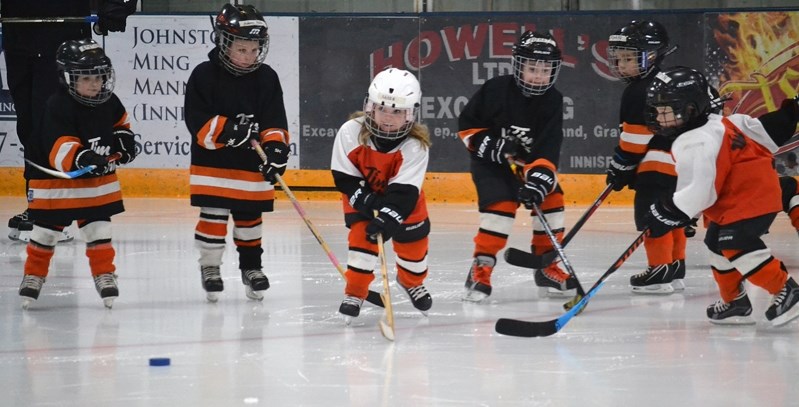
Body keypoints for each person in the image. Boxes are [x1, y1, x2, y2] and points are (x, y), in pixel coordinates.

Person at [642, 66, 799, 326]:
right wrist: (790, 111)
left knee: (735, 242)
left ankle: (786, 289)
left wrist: (667, 212)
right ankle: (734, 301)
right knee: (716, 242)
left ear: (690, 109)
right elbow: (767, 132)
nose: (659, 116)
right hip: (747, 195)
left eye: (666, 109)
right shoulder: (726, 122)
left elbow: (699, 192)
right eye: (657, 109)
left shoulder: (693, 141)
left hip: (749, 198)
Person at [1, 0, 137, 242]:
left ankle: (53, 211)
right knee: (29, 127)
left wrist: (117, 5)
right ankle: (40, 203)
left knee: (50, 124)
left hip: (63, 39)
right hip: (18, 38)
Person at [18, 38, 137, 309]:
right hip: (55, 184)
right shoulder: (57, 105)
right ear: (68, 77)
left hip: (95, 184)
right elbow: (58, 146)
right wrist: (84, 157)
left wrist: (123, 143)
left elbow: (120, 124)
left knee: (99, 228)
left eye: (99, 76)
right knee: (46, 232)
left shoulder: (109, 101)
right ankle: (34, 275)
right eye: (86, 78)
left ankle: (104, 273)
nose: (95, 84)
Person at [458, 31, 575, 302]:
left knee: (552, 198)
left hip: (526, 163)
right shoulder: (495, 89)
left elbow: (547, 147)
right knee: (500, 209)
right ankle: (482, 267)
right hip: (489, 162)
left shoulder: (553, 100)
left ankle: (546, 265)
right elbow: (467, 127)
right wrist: (496, 147)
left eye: (545, 70)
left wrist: (537, 182)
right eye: (532, 68)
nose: (538, 76)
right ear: (518, 65)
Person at [184, 3, 289, 302]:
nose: (249, 57)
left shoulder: (266, 78)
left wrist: (276, 150)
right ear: (224, 42)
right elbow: (197, 120)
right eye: (242, 49)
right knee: (213, 217)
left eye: (254, 50)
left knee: (250, 219)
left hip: (249, 164)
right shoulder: (204, 75)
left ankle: (252, 268)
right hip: (213, 164)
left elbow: (274, 120)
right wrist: (228, 130)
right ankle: (210, 267)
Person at [331, 67, 432, 321]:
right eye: (382, 109)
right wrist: (366, 201)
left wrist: (388, 217)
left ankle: (411, 281)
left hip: (404, 204)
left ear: (410, 114)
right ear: (370, 107)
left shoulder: (415, 146)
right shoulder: (350, 132)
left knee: (415, 252)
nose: (388, 117)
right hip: (360, 197)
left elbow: (405, 192)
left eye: (397, 111)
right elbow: (344, 178)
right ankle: (355, 292)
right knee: (361, 241)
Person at [605, 20, 687, 294]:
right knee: (672, 214)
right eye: (619, 58)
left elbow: (634, 141)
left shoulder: (638, 90)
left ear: (651, 55)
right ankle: (676, 267)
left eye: (629, 58)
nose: (622, 65)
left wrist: (619, 167)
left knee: (650, 215)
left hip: (655, 167)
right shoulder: (665, 81)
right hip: (680, 166)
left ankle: (659, 269)